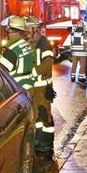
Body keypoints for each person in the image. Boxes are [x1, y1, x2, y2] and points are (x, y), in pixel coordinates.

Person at [25, 16, 55, 152]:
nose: (26, 32)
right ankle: (38, 139)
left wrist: (32, 73)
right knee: (36, 115)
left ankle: (47, 143)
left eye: (28, 29)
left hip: (42, 88)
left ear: (35, 29)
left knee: (44, 114)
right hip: (33, 87)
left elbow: (47, 63)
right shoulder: (28, 43)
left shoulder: (44, 43)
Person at [0, 15, 34, 91]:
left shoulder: (12, 50)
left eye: (9, 32)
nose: (7, 35)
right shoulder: (27, 45)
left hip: (16, 89)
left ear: (17, 32)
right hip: (29, 86)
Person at [68, 16, 87, 82]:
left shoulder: (73, 34)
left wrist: (71, 51)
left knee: (74, 65)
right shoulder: (84, 34)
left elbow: (71, 43)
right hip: (82, 52)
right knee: (82, 65)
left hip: (74, 53)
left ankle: (72, 77)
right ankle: (81, 78)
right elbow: (86, 43)